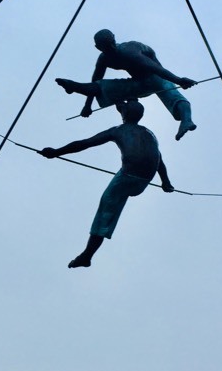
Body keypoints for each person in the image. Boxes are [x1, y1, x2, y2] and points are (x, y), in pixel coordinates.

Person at [40, 99, 174, 268]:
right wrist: (166, 182)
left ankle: (87, 255)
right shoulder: (149, 133)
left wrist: (57, 152)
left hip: (128, 176)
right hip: (145, 180)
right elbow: (159, 160)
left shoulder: (118, 130)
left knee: (106, 209)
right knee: (112, 205)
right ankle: (87, 255)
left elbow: (85, 143)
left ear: (125, 113)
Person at [55, 28, 198, 140]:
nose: (110, 49)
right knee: (104, 86)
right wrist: (87, 105)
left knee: (169, 91)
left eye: (111, 45)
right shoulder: (104, 59)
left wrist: (178, 80)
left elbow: (155, 68)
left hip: (156, 76)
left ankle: (187, 120)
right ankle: (74, 86)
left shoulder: (130, 51)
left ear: (114, 40)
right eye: (106, 48)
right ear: (98, 48)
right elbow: (96, 80)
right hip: (138, 83)